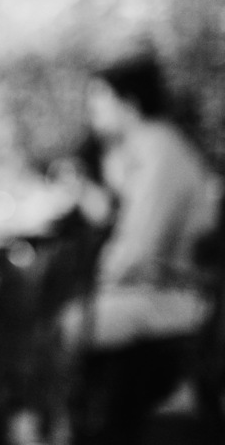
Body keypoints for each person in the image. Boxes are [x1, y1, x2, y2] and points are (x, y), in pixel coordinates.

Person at [70, 54, 223, 443]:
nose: (91, 112)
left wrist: (101, 276)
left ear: (129, 103)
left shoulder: (160, 149)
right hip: (165, 287)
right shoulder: (150, 145)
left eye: (99, 100)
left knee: (63, 327)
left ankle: (78, 428)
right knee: (62, 314)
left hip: (181, 298)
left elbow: (138, 248)